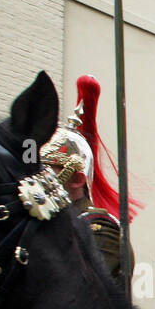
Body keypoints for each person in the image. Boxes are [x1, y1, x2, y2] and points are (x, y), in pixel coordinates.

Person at [39, 75, 131, 280]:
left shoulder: (98, 227)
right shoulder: (48, 221)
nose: (39, 176)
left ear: (77, 179)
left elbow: (82, 286)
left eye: (47, 168)